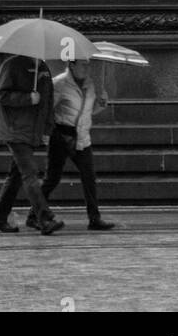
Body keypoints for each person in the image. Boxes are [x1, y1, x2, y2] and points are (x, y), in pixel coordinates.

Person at [27, 59, 115, 232]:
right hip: (61, 135)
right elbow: (46, 109)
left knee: (89, 177)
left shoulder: (90, 85)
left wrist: (101, 104)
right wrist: (47, 132)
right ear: (71, 65)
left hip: (82, 137)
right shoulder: (59, 83)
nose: (86, 68)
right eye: (82, 64)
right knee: (52, 178)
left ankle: (94, 218)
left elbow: (88, 112)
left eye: (88, 65)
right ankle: (33, 216)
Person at [0, 54, 63, 236]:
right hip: (14, 130)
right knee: (30, 173)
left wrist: (47, 129)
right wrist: (27, 98)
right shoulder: (12, 65)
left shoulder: (43, 68)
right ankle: (44, 218)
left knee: (15, 177)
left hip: (31, 131)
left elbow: (48, 101)